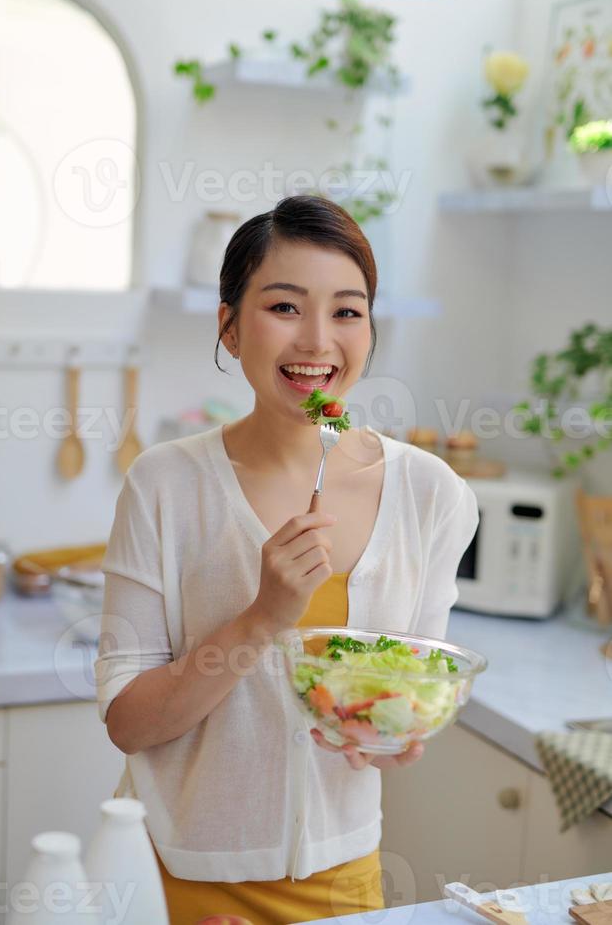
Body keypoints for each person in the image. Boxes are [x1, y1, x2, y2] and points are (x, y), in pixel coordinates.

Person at [95, 195, 479, 925]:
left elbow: (411, 682)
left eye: (346, 311)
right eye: (284, 307)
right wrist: (262, 617)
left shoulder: (432, 495)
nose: (317, 341)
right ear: (229, 327)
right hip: (178, 875)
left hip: (344, 885)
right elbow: (128, 723)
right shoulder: (165, 484)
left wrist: (391, 733)